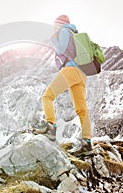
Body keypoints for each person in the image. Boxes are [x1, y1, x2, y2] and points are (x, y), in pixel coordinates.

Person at [34, 15, 93, 156]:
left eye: (55, 24)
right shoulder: (74, 33)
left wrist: (54, 38)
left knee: (47, 96)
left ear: (59, 23)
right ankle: (87, 144)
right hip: (81, 73)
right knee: (81, 109)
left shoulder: (64, 32)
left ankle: (50, 128)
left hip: (71, 70)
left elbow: (61, 49)